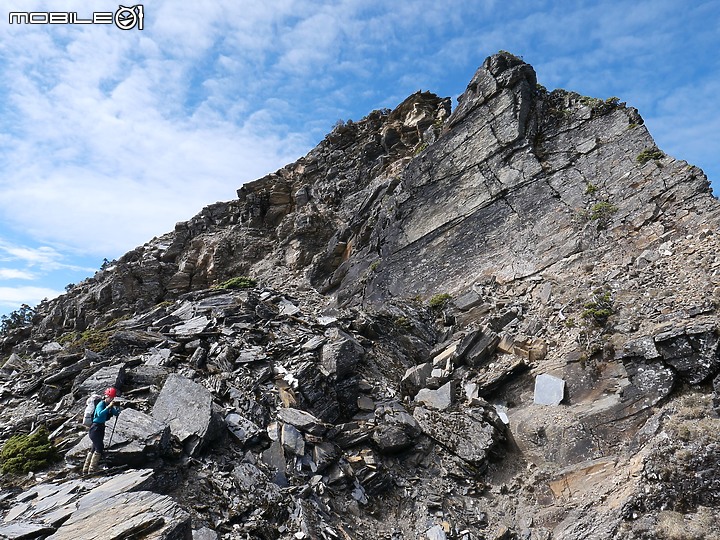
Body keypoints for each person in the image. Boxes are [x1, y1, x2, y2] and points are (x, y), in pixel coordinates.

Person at [82, 387, 121, 474]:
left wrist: (117, 408)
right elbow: (99, 414)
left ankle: (86, 469)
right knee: (99, 447)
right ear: (106, 396)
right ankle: (92, 469)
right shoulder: (101, 404)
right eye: (110, 397)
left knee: (94, 448)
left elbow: (116, 413)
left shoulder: (109, 405)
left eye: (112, 397)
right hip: (95, 428)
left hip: (100, 427)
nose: (111, 399)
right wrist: (109, 407)